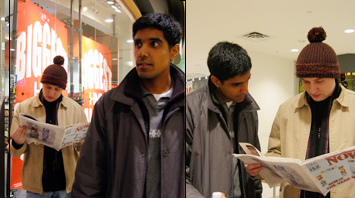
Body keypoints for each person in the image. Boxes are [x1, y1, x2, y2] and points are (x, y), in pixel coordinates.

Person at [71, 12, 185, 197]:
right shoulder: (110, 105)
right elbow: (89, 177)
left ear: (173, 51)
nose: (142, 52)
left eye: (154, 44)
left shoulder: (191, 106)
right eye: (138, 44)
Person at [247, 27, 355, 197]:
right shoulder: (287, 110)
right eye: (306, 81)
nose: (313, 88)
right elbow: (275, 153)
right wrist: (261, 168)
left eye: (319, 80)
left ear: (334, 75)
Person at [186, 41, 262, 198]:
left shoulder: (249, 109)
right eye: (236, 84)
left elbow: (255, 163)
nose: (246, 89)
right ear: (216, 81)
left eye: (248, 79)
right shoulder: (188, 108)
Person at [10, 56, 87, 198]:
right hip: (36, 187)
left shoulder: (75, 110)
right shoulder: (24, 108)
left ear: (63, 89)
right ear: (42, 84)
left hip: (67, 185)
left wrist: (81, 140)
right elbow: (14, 151)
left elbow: (83, 147)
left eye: (57, 89)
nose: (51, 93)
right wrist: (17, 142)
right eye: (48, 87)